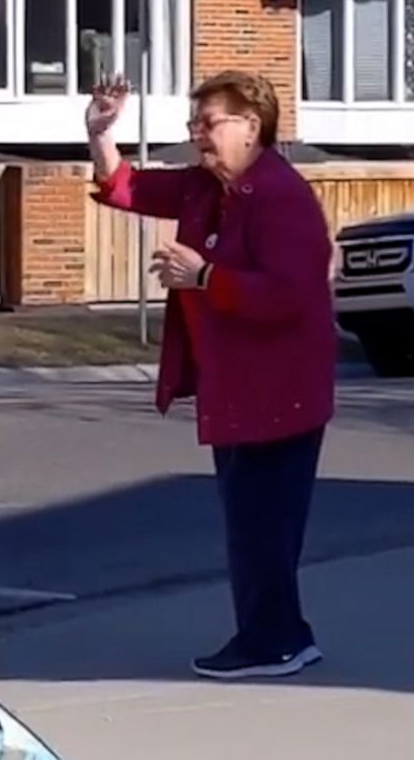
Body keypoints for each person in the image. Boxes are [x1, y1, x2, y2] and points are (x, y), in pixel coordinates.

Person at [86, 70, 337, 679]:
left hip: (280, 391)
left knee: (263, 527)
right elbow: (130, 188)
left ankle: (273, 642)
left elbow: (289, 294)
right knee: (251, 522)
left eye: (209, 124)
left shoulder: (281, 197)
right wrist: (99, 137)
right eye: (193, 125)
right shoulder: (209, 188)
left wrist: (203, 277)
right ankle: (281, 636)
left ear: (251, 127)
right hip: (237, 388)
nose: (199, 137)